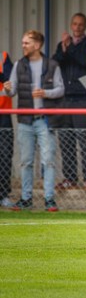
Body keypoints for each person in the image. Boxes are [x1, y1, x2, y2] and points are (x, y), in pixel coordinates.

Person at [2, 30, 64, 212]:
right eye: (23, 43)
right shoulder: (18, 65)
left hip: (46, 120)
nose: (23, 46)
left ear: (37, 45)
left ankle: (49, 199)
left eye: (26, 43)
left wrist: (45, 93)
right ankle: (26, 198)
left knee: (48, 161)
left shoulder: (52, 65)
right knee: (26, 161)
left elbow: (60, 90)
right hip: (25, 121)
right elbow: (12, 91)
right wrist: (7, 88)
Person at [53, 12, 86, 191]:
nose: (77, 27)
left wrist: (69, 48)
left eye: (81, 24)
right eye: (75, 24)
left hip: (83, 98)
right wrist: (63, 49)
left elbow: (85, 62)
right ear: (71, 26)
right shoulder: (63, 45)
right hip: (65, 99)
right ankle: (70, 179)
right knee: (66, 140)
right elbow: (55, 63)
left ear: (85, 26)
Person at [0, 51, 15, 208]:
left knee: (4, 156)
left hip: (3, 113)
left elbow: (9, 79)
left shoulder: (3, 56)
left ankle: (3, 194)